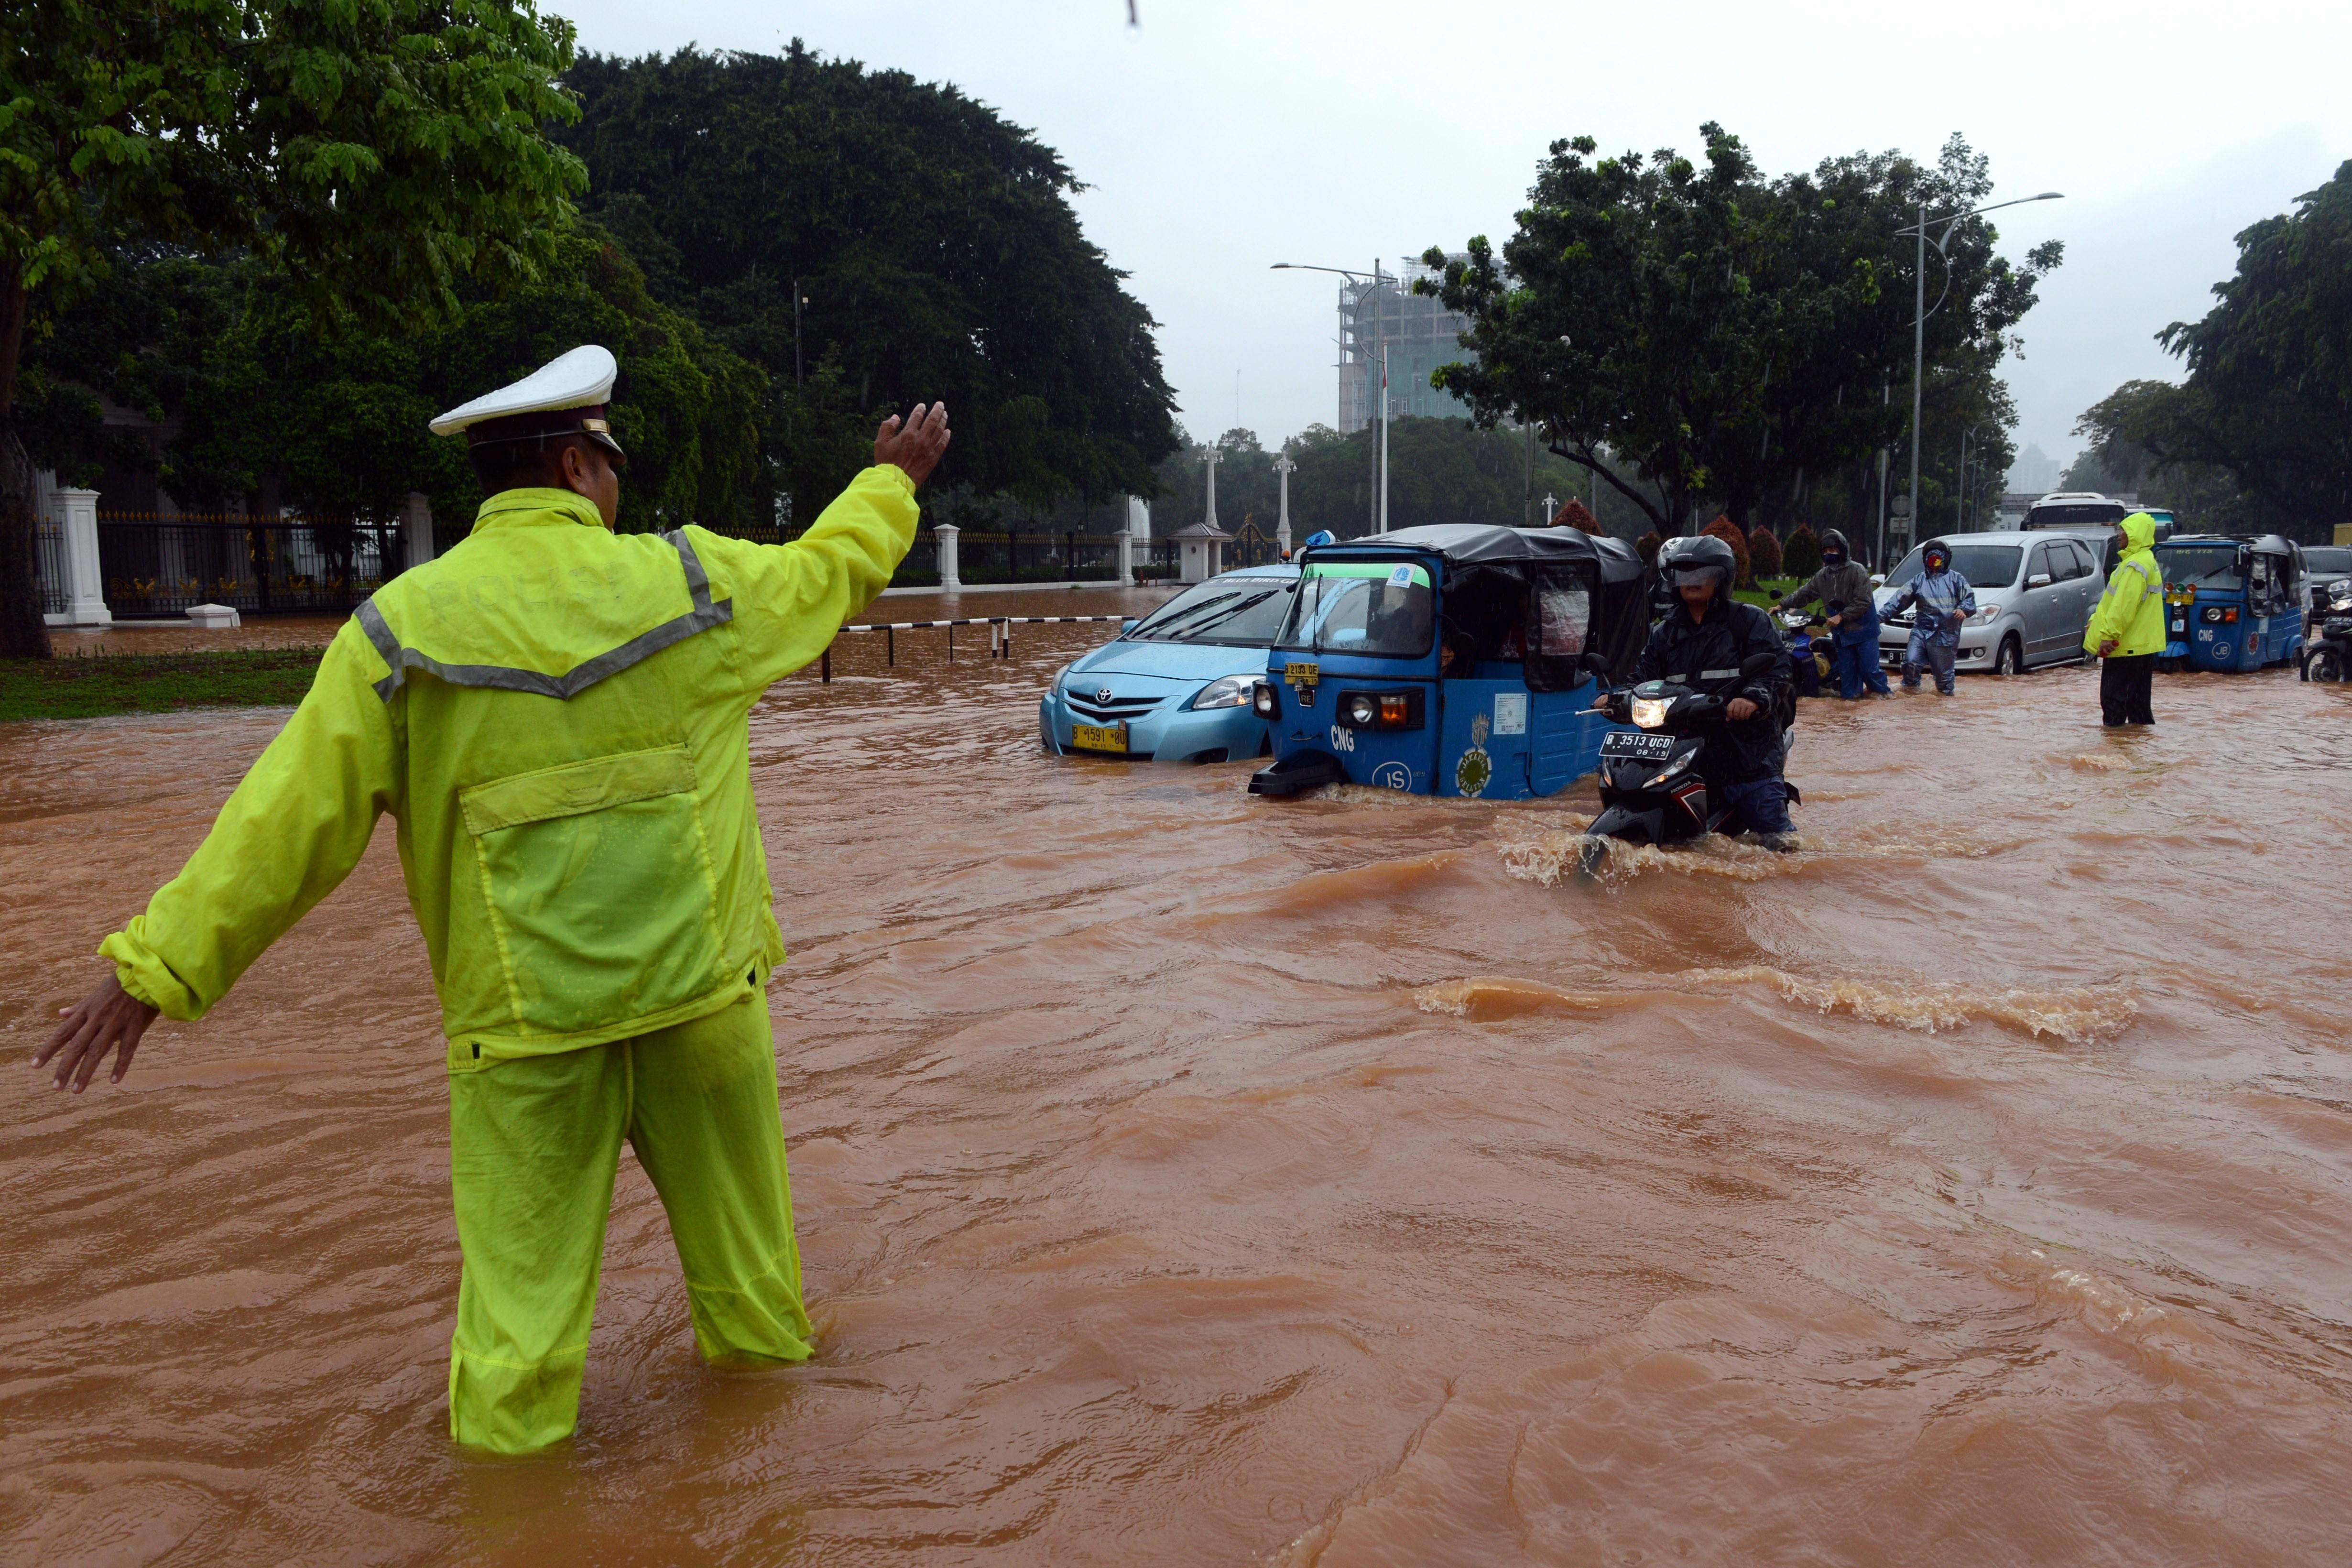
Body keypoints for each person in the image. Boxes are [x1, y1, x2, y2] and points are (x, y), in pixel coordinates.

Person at [32, 344, 953, 1453]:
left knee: (516, 1344)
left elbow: (282, 825)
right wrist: (890, 479)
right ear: (576, 465)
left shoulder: (399, 631)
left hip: (525, 1041)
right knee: (756, 1306)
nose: (616, 484)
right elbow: (829, 571)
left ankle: (513, 1514)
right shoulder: (694, 584)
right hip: (703, 1007)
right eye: (608, 461)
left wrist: (156, 969)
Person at [1601, 534, 1798, 849]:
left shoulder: (1749, 621)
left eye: (1701, 574)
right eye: (1684, 574)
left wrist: (1751, 698)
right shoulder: (1665, 633)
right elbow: (1642, 678)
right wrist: (1617, 697)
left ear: (1721, 579)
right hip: (1683, 748)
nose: (1692, 582)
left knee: (1775, 840)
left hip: (1745, 753)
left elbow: (1777, 672)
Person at [1783, 528, 1889, 698]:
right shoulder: (1822, 576)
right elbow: (1805, 594)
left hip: (1864, 632)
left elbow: (1863, 601)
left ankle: (1884, 700)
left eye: (1832, 550)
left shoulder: (1858, 571)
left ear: (1842, 550)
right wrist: (1782, 605)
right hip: (1842, 635)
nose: (1828, 554)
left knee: (1870, 672)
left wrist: (1842, 616)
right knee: (1848, 683)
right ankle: (1851, 711)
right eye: (1825, 551)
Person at [2084, 510, 2165, 725]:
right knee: (2138, 707)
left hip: (2125, 646)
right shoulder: (2145, 561)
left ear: (2135, 535)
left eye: (2124, 530)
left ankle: (2114, 750)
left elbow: (2123, 608)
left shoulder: (2134, 567)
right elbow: (2114, 604)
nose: (2119, 534)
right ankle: (2138, 750)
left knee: (2113, 703)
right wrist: (2095, 623)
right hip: (2139, 646)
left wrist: (2108, 635)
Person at [1879, 539, 1976, 695]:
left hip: (1946, 634)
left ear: (1946, 558)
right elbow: (1897, 603)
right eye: (1931, 556)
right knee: (1910, 663)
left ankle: (1944, 706)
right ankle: (1911, 696)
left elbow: (1969, 600)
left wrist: (1963, 609)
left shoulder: (1957, 579)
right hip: (1921, 631)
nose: (1935, 560)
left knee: (1944, 678)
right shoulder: (1918, 581)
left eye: (1939, 556)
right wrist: (1876, 619)